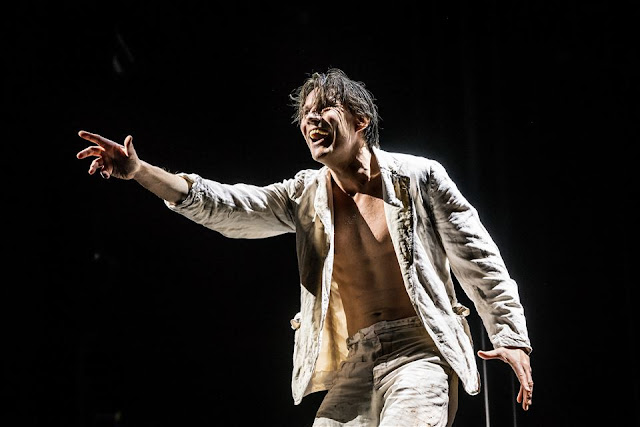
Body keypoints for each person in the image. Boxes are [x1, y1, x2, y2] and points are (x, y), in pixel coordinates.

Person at [76, 68, 533, 426]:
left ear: (360, 120)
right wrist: (140, 172)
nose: (311, 120)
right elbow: (226, 204)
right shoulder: (305, 196)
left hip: (420, 351)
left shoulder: (419, 177)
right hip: (357, 358)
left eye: (325, 108)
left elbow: (478, 257)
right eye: (305, 114)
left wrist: (511, 337)